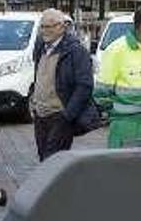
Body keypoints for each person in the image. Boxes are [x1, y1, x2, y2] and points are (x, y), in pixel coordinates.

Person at [30, 9, 99, 161]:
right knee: (44, 158)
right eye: (42, 27)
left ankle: (59, 185)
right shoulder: (41, 46)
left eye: (50, 26)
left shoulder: (76, 51)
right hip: (41, 116)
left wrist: (67, 115)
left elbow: (85, 86)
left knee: (52, 160)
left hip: (60, 116)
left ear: (62, 27)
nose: (45, 31)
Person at [94, 3, 141, 148]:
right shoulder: (116, 50)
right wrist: (123, 118)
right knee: (125, 170)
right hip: (126, 130)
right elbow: (101, 96)